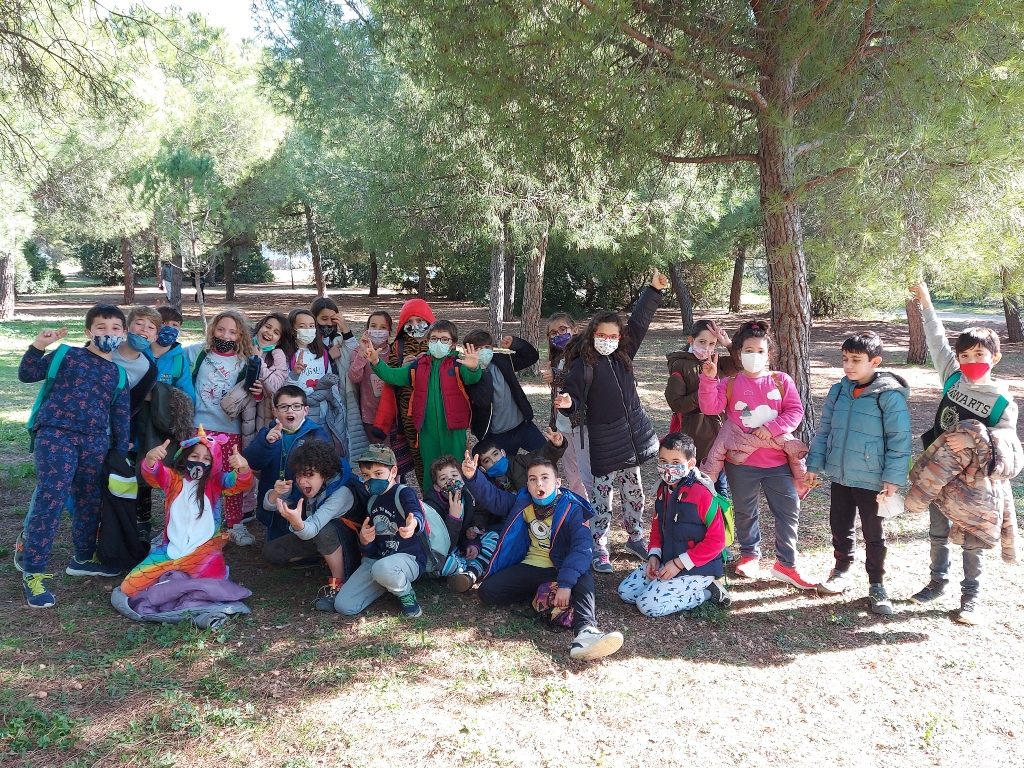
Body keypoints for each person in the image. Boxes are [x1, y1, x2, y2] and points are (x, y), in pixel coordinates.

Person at [905, 282, 1021, 624]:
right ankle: (936, 582)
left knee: (972, 539)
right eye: (965, 355)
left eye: (979, 355)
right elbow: (936, 340)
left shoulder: (1002, 400)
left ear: (994, 358)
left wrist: (974, 441)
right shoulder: (953, 380)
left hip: (973, 484)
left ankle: (971, 597)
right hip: (938, 475)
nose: (971, 361)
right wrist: (926, 303)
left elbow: (1008, 441)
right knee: (937, 532)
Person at [16, 304, 131, 607]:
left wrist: (120, 454)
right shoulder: (67, 355)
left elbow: (120, 418)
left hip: (95, 443)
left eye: (115, 328)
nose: (108, 333)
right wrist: (39, 345)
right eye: (101, 327)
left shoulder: (118, 374)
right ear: (88, 331)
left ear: (123, 333)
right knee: (50, 500)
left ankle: (83, 557)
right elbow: (27, 374)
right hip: (56, 435)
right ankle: (33, 571)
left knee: (89, 500)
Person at [553, 270, 668, 572]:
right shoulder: (583, 366)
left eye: (613, 336)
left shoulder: (624, 353)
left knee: (634, 494)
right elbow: (574, 399)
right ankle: (599, 544)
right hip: (603, 442)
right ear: (593, 335)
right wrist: (567, 404)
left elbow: (639, 321)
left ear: (620, 338)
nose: (608, 340)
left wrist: (653, 291)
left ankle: (635, 537)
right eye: (602, 336)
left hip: (629, 440)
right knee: (601, 496)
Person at [462, 451, 624, 661]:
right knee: (488, 592)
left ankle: (586, 631)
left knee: (583, 576)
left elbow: (582, 549)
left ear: (557, 482)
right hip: (532, 566)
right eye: (532, 479)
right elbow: (494, 498)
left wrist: (565, 584)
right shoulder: (523, 501)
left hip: (560, 568)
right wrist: (473, 476)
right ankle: (543, 594)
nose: (539, 483)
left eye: (544, 478)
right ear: (527, 485)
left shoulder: (572, 508)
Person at [697, 320, 815, 590]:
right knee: (745, 510)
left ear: (769, 354)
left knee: (788, 510)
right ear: (739, 354)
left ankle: (786, 563)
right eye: (748, 351)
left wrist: (772, 428)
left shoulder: (781, 381)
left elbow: (795, 411)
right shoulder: (729, 383)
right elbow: (710, 407)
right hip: (741, 463)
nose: (754, 356)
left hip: (778, 463)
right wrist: (709, 379)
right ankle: (750, 555)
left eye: (760, 351)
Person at [805, 332, 911, 615]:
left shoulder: (889, 395)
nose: (848, 366)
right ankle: (841, 571)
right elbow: (824, 430)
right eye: (845, 359)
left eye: (856, 360)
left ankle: (877, 584)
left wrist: (893, 478)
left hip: (872, 479)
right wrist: (814, 465)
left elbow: (900, 439)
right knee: (840, 525)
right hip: (840, 475)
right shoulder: (838, 391)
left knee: (873, 532)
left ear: (875, 361)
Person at [121, 427, 254, 597]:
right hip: (170, 550)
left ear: (214, 462)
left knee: (214, 585)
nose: (200, 462)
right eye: (194, 456)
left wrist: (243, 468)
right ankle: (179, 582)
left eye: (207, 459)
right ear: (185, 457)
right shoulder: (173, 479)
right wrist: (150, 460)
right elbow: (154, 474)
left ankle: (175, 584)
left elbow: (240, 484)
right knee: (130, 587)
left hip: (204, 552)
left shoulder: (216, 482)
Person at [618, 433, 730, 616]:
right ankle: (667, 584)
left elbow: (717, 541)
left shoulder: (702, 494)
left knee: (647, 606)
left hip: (698, 567)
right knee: (626, 592)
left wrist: (679, 564)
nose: (668, 468)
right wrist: (654, 555)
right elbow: (657, 526)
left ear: (691, 463)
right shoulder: (663, 489)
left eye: (676, 462)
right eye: (663, 461)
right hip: (668, 560)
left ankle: (708, 592)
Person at [361, 320, 483, 480]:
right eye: (434, 339)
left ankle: (459, 495)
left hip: (454, 428)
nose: (438, 343)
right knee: (430, 469)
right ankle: (431, 496)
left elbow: (471, 378)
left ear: (453, 343)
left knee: (456, 467)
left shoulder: (458, 364)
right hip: (426, 428)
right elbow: (393, 376)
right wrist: (376, 362)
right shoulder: (419, 365)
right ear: (428, 341)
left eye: (444, 339)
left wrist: (473, 368)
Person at [185, 309, 259, 546]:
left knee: (231, 478)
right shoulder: (198, 353)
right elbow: (170, 358)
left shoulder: (245, 361)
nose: (226, 336)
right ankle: (194, 521)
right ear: (212, 330)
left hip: (230, 430)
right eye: (220, 329)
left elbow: (254, 395)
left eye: (233, 332)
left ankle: (235, 524)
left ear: (241, 336)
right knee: (196, 476)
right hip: (199, 428)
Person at [334, 444, 428, 618]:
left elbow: (415, 512)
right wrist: (364, 541)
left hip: (408, 559)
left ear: (393, 472)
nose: (372, 480)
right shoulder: (372, 502)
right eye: (366, 475)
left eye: (378, 474)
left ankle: (407, 595)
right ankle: (387, 583)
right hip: (379, 561)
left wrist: (413, 525)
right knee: (344, 605)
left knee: (382, 568)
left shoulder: (403, 493)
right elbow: (370, 550)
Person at [266, 438, 358, 610]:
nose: (302, 481)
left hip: (353, 545)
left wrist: (296, 522)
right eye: (299, 474)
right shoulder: (310, 486)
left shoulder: (341, 493)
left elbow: (313, 529)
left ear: (325, 473)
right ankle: (324, 558)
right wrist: (276, 493)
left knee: (324, 532)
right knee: (272, 552)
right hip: (315, 533)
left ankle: (338, 582)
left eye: (309, 475)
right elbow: (268, 505)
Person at [243, 385, 333, 541]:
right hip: (273, 502)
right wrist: (266, 443)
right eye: (284, 407)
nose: (290, 411)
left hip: (302, 504)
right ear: (275, 411)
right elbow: (252, 462)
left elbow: (324, 469)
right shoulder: (267, 434)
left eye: (296, 406)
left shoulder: (316, 434)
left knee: (299, 539)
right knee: (273, 546)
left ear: (305, 410)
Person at [665, 319, 737, 497]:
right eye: (702, 342)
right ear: (691, 340)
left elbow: (741, 364)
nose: (706, 347)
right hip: (695, 433)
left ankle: (720, 515)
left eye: (712, 344)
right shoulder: (680, 364)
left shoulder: (717, 362)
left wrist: (728, 344)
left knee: (720, 487)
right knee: (696, 484)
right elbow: (676, 403)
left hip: (719, 434)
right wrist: (705, 394)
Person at [370, 298, 436, 484]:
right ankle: (427, 493)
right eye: (409, 321)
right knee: (419, 458)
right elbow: (390, 376)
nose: (415, 325)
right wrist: (402, 366)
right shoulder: (398, 347)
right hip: (409, 414)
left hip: (434, 409)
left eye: (419, 320)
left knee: (438, 456)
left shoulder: (438, 342)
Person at [463, 329, 545, 455]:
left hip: (523, 426)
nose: (483, 351)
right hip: (497, 435)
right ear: (467, 351)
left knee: (546, 455)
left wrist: (516, 343)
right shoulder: (468, 374)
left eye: (487, 347)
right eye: (477, 348)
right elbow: (482, 401)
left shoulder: (502, 360)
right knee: (504, 466)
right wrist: (481, 370)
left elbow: (531, 357)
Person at [426, 455, 498, 593]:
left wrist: (473, 541)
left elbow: (473, 520)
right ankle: (468, 569)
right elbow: (442, 546)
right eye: (443, 479)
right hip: (445, 550)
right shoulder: (432, 506)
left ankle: (468, 573)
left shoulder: (467, 495)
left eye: (454, 475)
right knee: (439, 563)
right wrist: (453, 517)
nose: (451, 480)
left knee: (493, 537)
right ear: (437, 487)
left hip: (461, 546)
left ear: (462, 478)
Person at [542, 312, 591, 500]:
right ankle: (582, 509)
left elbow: (581, 380)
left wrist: (557, 376)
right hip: (562, 427)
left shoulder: (584, 355)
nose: (558, 335)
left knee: (587, 474)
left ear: (575, 330)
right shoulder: (556, 358)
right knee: (572, 475)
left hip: (581, 425)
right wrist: (553, 423)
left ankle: (597, 510)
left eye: (563, 329)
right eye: (553, 333)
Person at [472, 429, 567, 494]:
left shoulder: (520, 462)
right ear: (482, 469)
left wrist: (555, 446)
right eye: (487, 461)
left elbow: (542, 457)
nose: (494, 461)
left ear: (503, 453)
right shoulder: (484, 484)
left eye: (495, 454)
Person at [151, 306, 195, 401]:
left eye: (175, 325)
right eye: (164, 323)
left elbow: (189, 396)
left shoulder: (179, 361)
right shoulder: (139, 353)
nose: (169, 328)